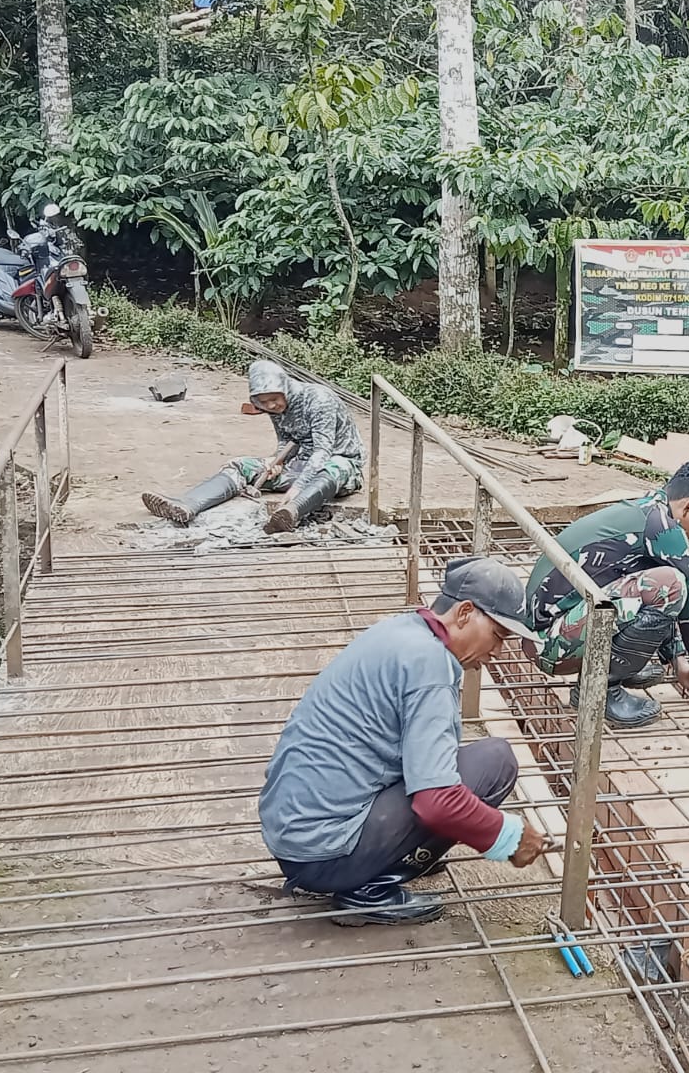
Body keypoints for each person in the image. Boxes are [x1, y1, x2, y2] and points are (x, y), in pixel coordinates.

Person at [258, 556, 553, 925]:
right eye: (497, 635)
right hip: (323, 856)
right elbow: (438, 802)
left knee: (454, 771)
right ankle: (369, 890)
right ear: (464, 613)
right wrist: (510, 836)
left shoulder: (402, 630)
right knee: (495, 763)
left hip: (293, 835)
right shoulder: (430, 666)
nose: (497, 653)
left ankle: (393, 855)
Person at [524, 458, 689, 729]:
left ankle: (617, 668)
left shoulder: (648, 510)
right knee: (671, 584)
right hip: (548, 644)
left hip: (548, 632)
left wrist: (677, 657)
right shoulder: (663, 527)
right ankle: (600, 690)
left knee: (659, 583)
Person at [141, 359, 365, 534]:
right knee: (241, 465)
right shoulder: (275, 409)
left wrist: (298, 488)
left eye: (274, 399)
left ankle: (292, 511)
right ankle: (187, 505)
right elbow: (285, 441)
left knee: (335, 466)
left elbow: (323, 450)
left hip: (338, 467)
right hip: (300, 465)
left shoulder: (319, 399)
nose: (271, 406)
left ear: (285, 389)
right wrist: (277, 461)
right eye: (263, 402)